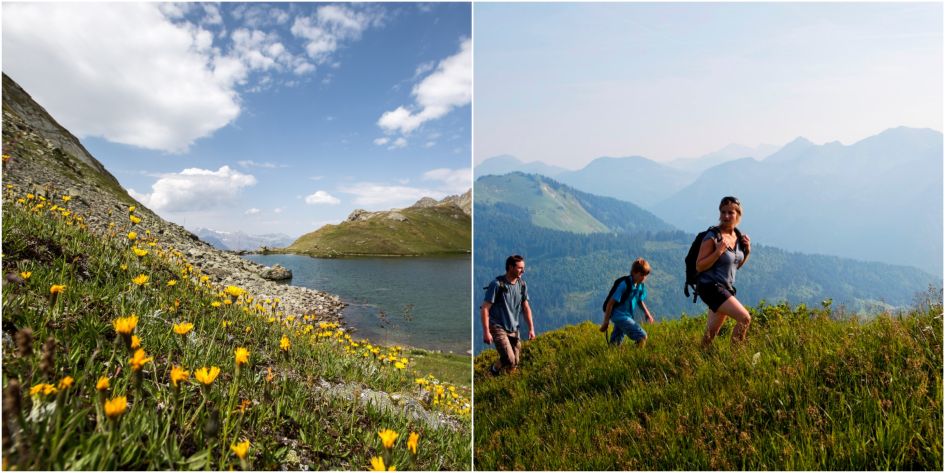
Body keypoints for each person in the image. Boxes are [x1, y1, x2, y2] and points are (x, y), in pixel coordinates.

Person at [696, 196, 752, 347]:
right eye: (723, 212)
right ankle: (735, 360)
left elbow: (734, 266)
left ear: (738, 215)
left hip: (725, 287)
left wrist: (747, 253)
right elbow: (699, 266)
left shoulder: (738, 237)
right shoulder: (713, 237)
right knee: (744, 318)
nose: (726, 216)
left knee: (711, 332)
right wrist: (717, 252)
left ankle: (697, 360)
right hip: (711, 286)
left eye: (730, 213)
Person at [481, 255, 535, 375]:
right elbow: (485, 308)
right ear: (510, 267)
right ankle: (493, 370)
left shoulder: (522, 285)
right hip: (497, 326)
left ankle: (506, 379)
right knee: (510, 360)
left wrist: (531, 329)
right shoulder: (496, 284)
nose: (523, 271)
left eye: (523, 268)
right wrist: (486, 331)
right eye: (520, 268)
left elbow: (526, 308)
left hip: (513, 328)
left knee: (515, 362)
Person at [599, 258, 655, 346]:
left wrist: (647, 313)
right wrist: (606, 322)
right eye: (642, 275)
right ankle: (636, 356)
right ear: (634, 272)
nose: (644, 278)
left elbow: (639, 300)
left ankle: (613, 353)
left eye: (645, 275)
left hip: (626, 315)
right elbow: (610, 303)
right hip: (618, 315)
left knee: (615, 343)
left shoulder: (640, 285)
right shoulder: (624, 284)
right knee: (642, 336)